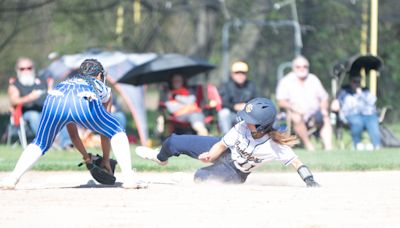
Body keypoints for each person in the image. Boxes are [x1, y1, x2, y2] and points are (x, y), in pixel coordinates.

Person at [1, 59, 146, 189]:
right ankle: (128, 177)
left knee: (40, 143)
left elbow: (73, 133)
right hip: (83, 100)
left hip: (55, 99)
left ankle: (12, 178)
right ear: (100, 76)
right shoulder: (102, 87)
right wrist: (106, 159)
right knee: (117, 131)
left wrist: (86, 157)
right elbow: (105, 133)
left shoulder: (66, 82)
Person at [136, 97, 320, 187]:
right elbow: (222, 144)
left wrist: (310, 181)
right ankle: (160, 158)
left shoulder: (274, 145)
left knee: (202, 177)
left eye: (251, 120)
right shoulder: (242, 127)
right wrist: (211, 155)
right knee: (173, 141)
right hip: (224, 151)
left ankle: (186, 178)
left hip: (235, 172)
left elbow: (297, 163)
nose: (245, 121)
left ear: (262, 125)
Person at [9, 57, 72, 150]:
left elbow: (50, 92)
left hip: (45, 109)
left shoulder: (42, 80)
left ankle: (67, 144)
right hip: (27, 112)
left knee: (61, 113)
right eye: (22, 68)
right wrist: (29, 98)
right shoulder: (15, 84)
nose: (26, 70)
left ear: (33, 68)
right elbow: (14, 101)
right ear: (18, 70)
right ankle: (46, 142)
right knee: (34, 116)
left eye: (29, 68)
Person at [276, 56, 333, 151]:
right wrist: (293, 108)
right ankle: (308, 145)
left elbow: (324, 98)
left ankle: (329, 148)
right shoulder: (286, 81)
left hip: (314, 115)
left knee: (325, 118)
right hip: (295, 114)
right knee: (296, 117)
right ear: (294, 68)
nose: (302, 69)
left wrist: (323, 109)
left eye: (305, 66)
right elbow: (281, 102)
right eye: (298, 67)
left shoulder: (313, 79)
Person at [331, 75, 381, 150]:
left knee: (373, 122)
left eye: (359, 82)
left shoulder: (365, 91)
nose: (357, 84)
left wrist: (361, 94)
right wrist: (336, 103)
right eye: (355, 82)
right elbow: (335, 106)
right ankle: (357, 144)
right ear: (350, 82)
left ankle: (377, 146)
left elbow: (372, 102)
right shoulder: (344, 92)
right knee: (357, 122)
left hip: (368, 114)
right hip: (352, 115)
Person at [218, 61, 258, 134]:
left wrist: (247, 106)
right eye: (237, 73)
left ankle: (256, 137)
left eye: (243, 73)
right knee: (224, 113)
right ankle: (226, 137)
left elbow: (257, 101)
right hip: (232, 114)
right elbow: (224, 103)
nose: (240, 75)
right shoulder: (226, 86)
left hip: (247, 114)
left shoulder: (251, 85)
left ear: (246, 74)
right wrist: (234, 106)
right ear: (232, 74)